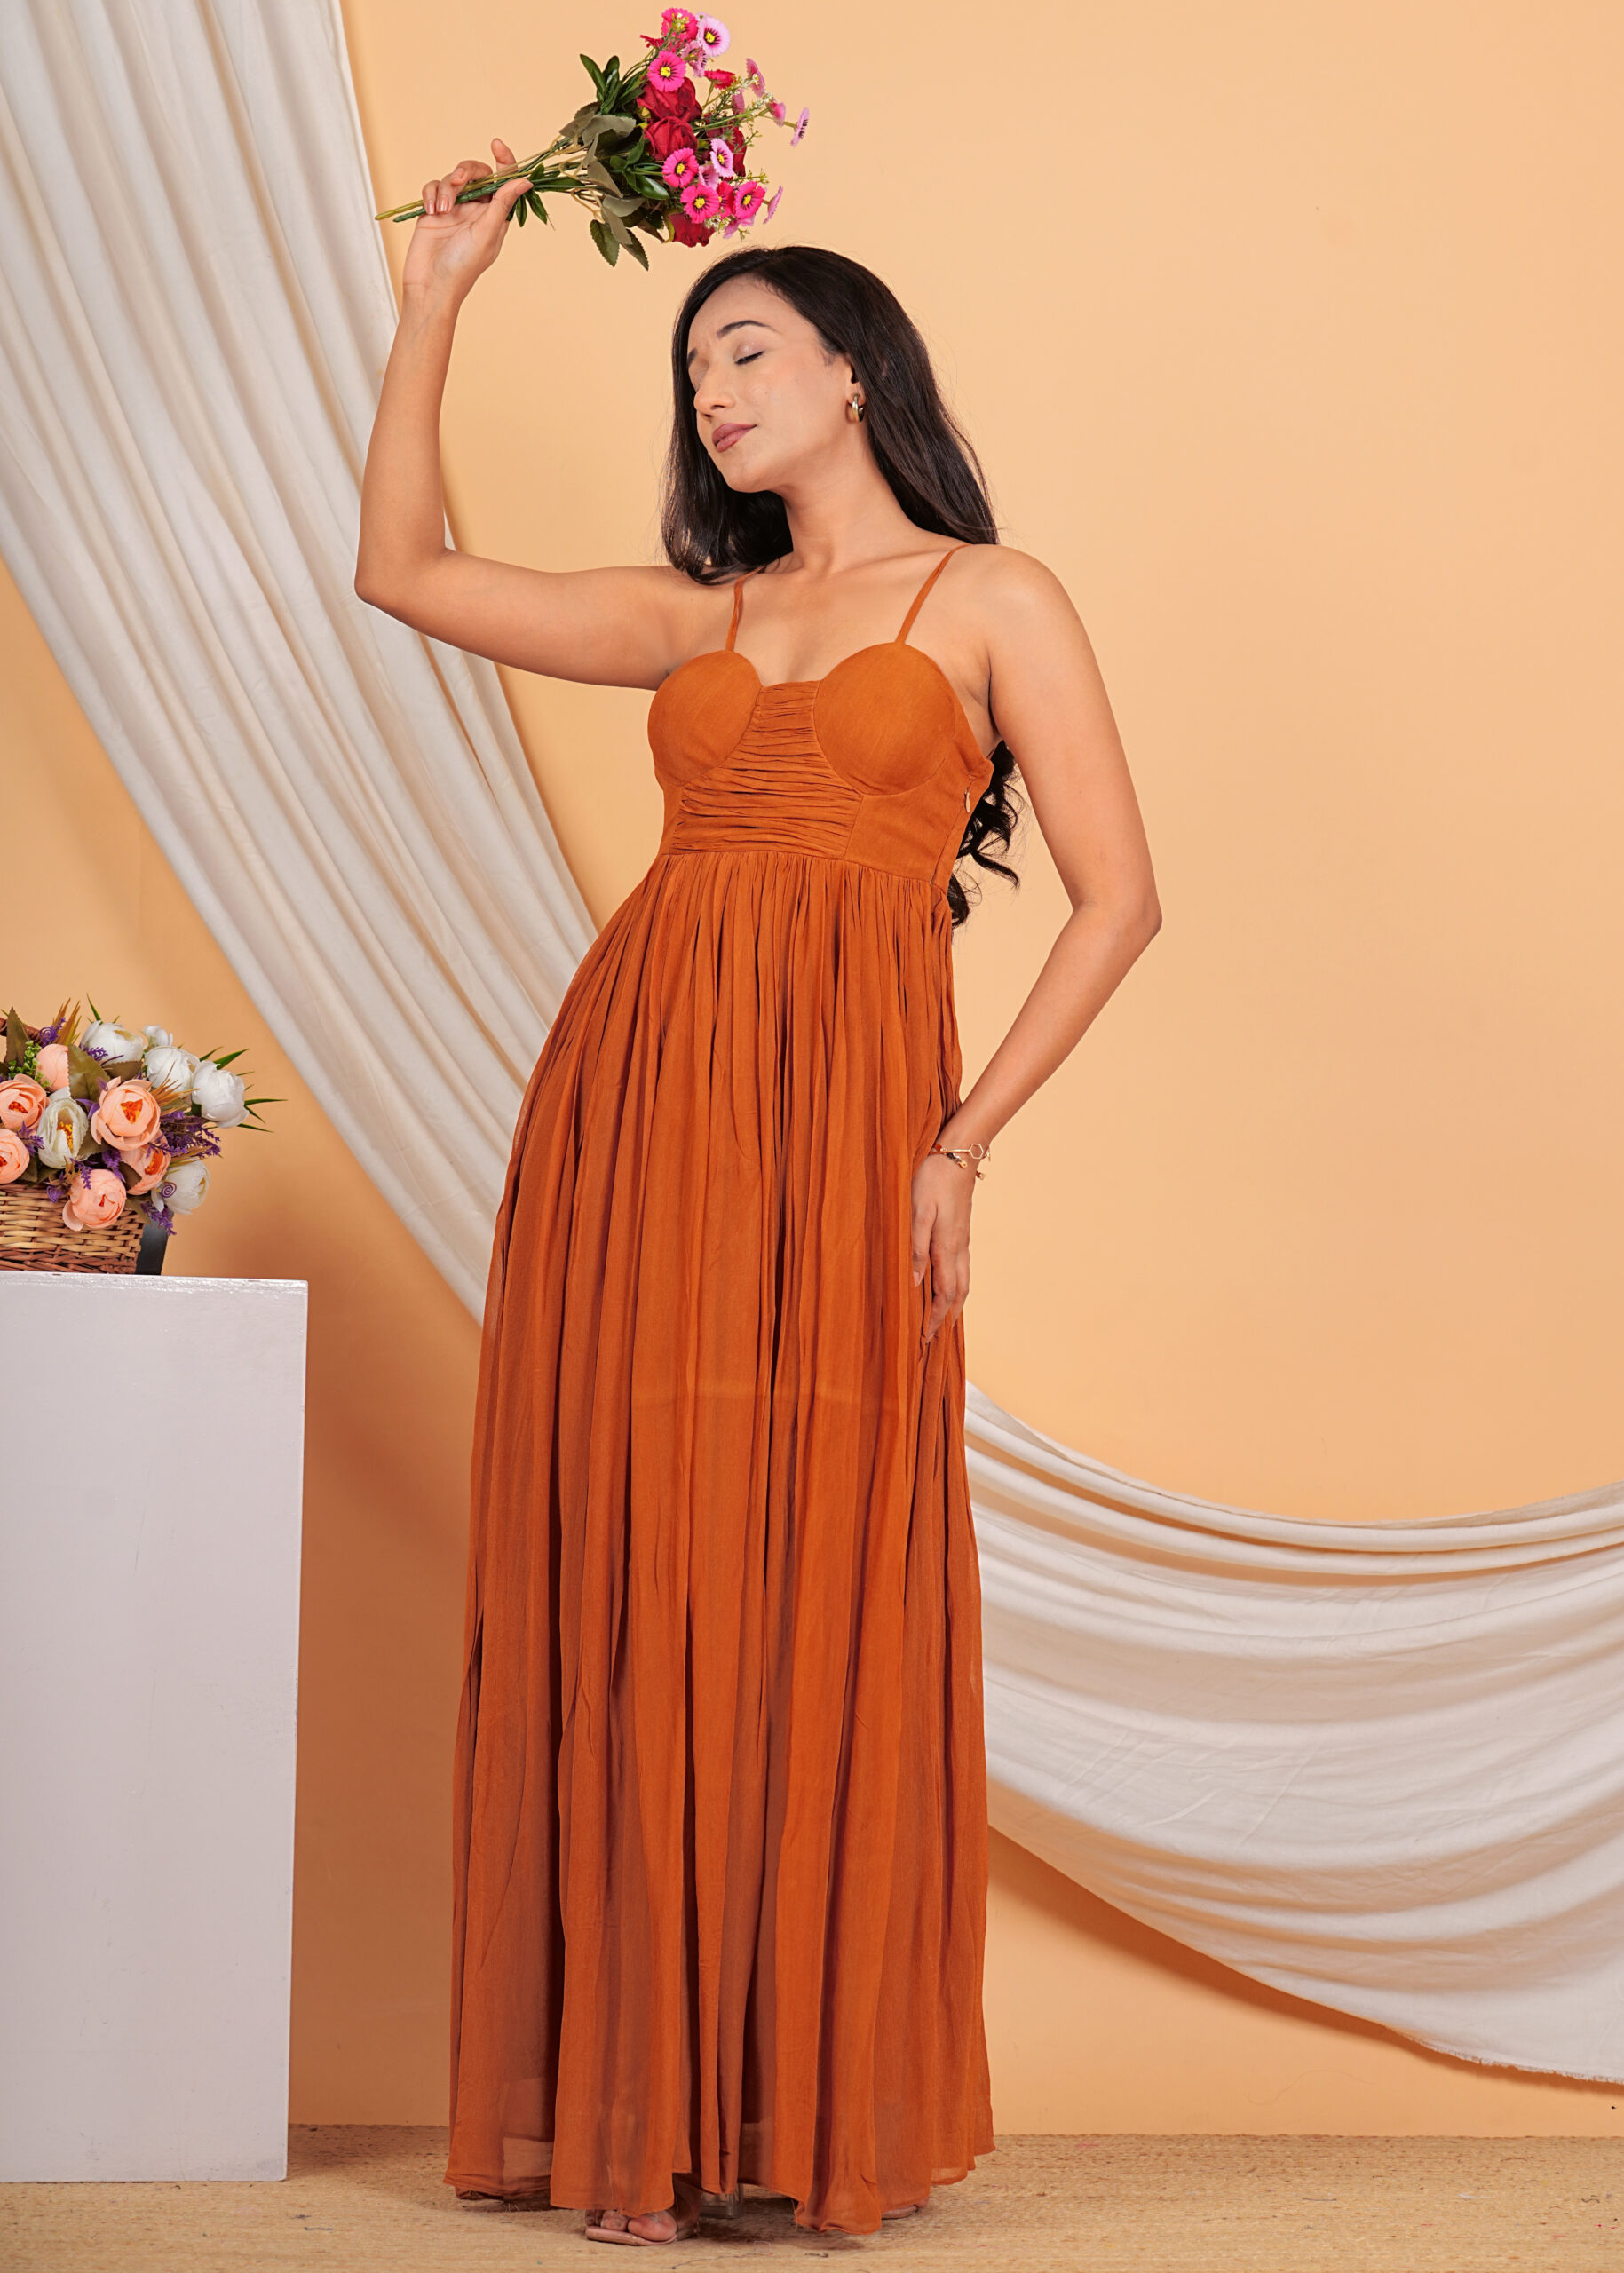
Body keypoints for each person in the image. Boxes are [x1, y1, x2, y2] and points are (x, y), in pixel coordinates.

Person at [354, 138, 1161, 2246]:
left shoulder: (994, 598)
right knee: (644, 1562)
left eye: (747, 350)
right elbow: (407, 572)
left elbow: (1120, 899)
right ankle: (644, 2105)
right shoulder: (703, 612)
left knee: (810, 1564)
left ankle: (780, 2105)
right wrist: (436, 306)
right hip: (637, 1103)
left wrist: (960, 1140)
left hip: (850, 1121)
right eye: (694, 367)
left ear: (852, 368)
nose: (712, 391)